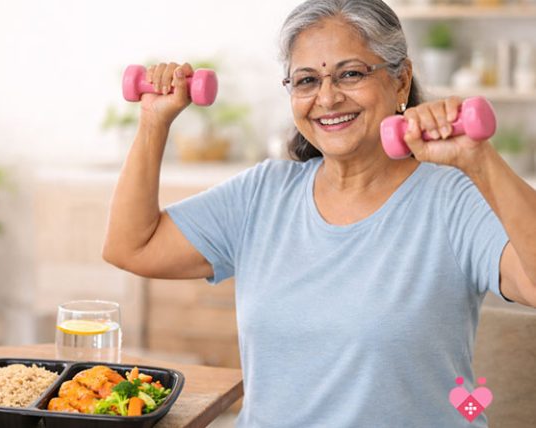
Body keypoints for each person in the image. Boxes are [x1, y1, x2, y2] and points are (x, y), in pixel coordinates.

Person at [102, 0, 536, 426]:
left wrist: (480, 161)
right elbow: (131, 247)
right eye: (307, 80)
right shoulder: (263, 194)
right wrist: (153, 122)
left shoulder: (452, 199)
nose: (327, 98)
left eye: (350, 74)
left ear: (401, 81)